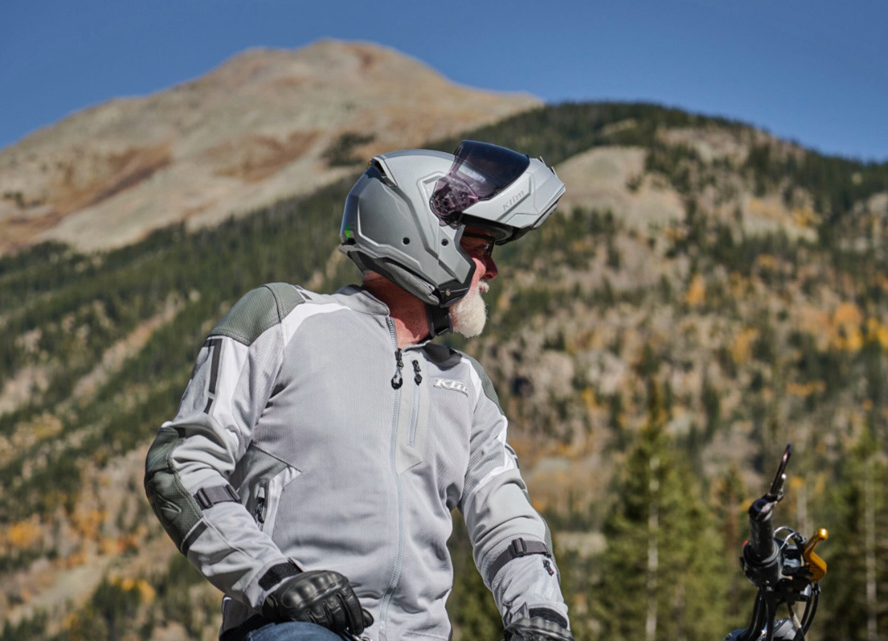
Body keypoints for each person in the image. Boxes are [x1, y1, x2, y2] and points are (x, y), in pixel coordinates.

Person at [144, 141, 575, 641]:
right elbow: (182, 464)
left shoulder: (467, 384)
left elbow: (508, 522)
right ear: (424, 240)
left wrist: (540, 615)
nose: (492, 272)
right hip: (292, 628)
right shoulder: (285, 321)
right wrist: (274, 579)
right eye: (480, 250)